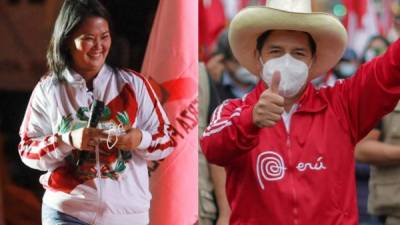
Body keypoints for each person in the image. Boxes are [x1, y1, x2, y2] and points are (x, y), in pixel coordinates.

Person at [200, 0, 400, 224]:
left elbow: (390, 70)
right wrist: (251, 120)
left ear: (312, 60)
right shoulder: (233, 110)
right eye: (276, 51)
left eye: (298, 53)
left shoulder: (342, 105)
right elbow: (212, 147)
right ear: (258, 56)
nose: (287, 61)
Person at [17, 1, 175, 225]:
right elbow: (27, 149)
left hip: (126, 216)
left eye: (104, 36)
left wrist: (139, 139)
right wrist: (67, 139)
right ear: (68, 40)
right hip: (66, 211)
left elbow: (168, 140)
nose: (99, 46)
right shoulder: (49, 89)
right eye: (89, 38)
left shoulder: (133, 84)